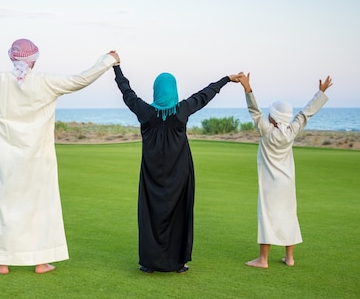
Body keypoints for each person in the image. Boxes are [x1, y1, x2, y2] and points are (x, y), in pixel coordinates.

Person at [0, 39, 120, 274]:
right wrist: (108, 60)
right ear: (34, 60)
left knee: (3, 206)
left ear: (12, 58)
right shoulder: (47, 82)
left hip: (5, 160)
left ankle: (2, 262)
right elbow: (80, 80)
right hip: (39, 159)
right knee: (41, 207)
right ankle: (41, 262)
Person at [113, 63, 243, 274]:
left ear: (157, 90)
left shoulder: (146, 112)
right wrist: (226, 79)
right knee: (178, 214)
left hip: (152, 175)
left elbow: (126, 92)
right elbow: (204, 95)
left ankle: (149, 263)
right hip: (179, 174)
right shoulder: (181, 112)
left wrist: (116, 68)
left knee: (151, 215)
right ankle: (177, 263)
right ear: (173, 90)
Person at [239, 73, 332, 268]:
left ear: (273, 117)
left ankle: (262, 259)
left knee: (267, 215)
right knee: (289, 215)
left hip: (270, 184)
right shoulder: (291, 131)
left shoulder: (266, 130)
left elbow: (254, 111)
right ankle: (289, 258)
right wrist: (321, 93)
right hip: (287, 183)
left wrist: (248, 89)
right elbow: (306, 113)